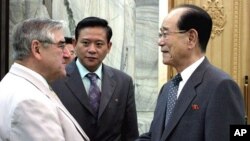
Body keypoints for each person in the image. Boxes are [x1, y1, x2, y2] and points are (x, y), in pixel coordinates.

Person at [136, 4, 245, 141]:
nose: (160, 42)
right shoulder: (168, 88)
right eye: (160, 35)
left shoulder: (222, 86)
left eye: (165, 34)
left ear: (191, 38)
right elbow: (156, 136)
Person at [0, 18, 89, 141]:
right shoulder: (29, 101)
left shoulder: (15, 83)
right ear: (37, 49)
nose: (68, 54)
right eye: (61, 46)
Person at [51, 16, 139, 141]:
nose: (92, 50)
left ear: (109, 47)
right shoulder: (55, 79)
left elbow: (130, 134)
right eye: (85, 43)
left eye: (99, 44)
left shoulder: (123, 82)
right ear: (75, 44)